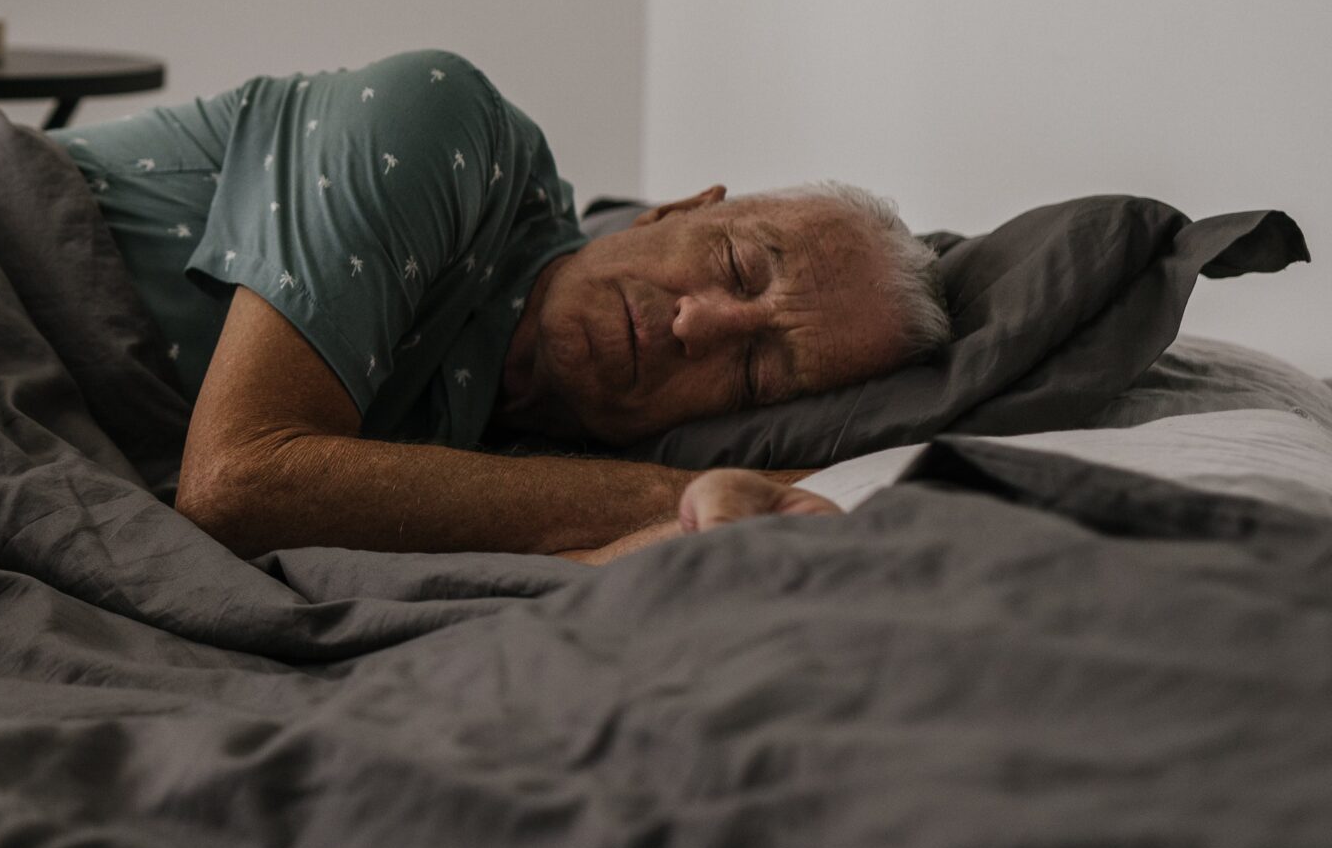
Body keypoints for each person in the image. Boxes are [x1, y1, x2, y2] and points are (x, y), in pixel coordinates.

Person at [53, 50, 952, 565]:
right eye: (738, 266)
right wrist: (675, 494)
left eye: (754, 371)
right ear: (681, 208)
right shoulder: (443, 127)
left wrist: (714, 520)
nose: (696, 325)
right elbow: (237, 483)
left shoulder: (519, 458)